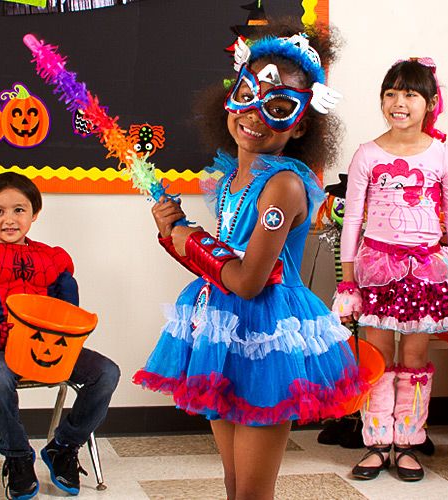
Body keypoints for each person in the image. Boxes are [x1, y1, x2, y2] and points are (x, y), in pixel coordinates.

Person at [134, 21, 366, 499]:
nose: (255, 115)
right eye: (248, 94)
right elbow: (218, 270)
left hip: (268, 344)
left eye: (278, 107)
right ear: (230, 98)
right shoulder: (229, 180)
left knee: (252, 493)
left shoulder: (283, 185)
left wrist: (186, 234)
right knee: (235, 483)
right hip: (222, 333)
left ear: (300, 123)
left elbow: (246, 281)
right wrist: (170, 234)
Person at [0, 172, 120, 499]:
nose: (9, 219)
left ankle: (63, 447)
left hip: (46, 344)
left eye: (19, 210)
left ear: (35, 213)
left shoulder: (51, 258)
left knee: (107, 372)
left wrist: (65, 340)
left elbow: (67, 314)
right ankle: (17, 455)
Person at [334, 58, 448, 482]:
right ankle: (375, 443)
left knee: (414, 357)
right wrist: (349, 274)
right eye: (391, 93)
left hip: (426, 270)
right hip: (376, 267)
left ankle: (407, 442)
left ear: (429, 103)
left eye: (410, 94)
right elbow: (353, 217)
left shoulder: (442, 155)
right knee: (376, 356)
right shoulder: (367, 154)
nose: (399, 102)